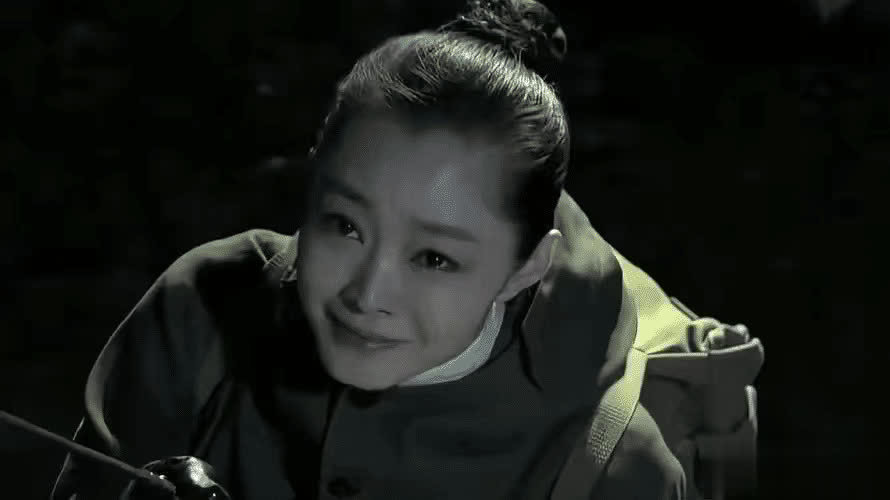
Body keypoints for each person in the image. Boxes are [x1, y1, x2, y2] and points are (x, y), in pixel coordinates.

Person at [51, 0, 688, 498]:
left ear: (525, 268)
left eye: (435, 259)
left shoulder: (615, 466)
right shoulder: (201, 309)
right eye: (345, 226)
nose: (367, 294)